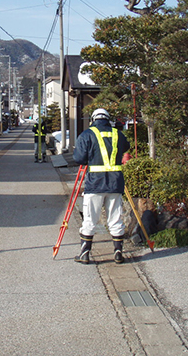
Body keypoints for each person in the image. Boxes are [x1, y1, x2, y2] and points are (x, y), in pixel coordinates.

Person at [73, 108, 130, 264]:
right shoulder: (117, 134)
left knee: (90, 219)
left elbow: (79, 158)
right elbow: (126, 147)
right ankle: (118, 252)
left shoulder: (87, 134)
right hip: (115, 183)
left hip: (95, 184)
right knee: (115, 218)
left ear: (93, 119)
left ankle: (85, 254)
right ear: (108, 119)